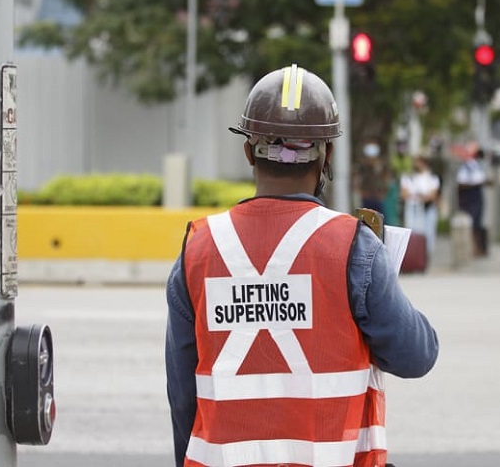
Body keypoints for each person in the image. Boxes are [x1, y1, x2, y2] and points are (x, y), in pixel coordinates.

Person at [165, 64, 439, 467]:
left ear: (248, 152)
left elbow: (182, 392)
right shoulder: (353, 246)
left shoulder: (199, 249)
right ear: (326, 155)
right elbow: (416, 355)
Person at [399, 155, 440, 256]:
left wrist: (418, 197)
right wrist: (419, 196)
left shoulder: (432, 178)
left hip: (427, 209)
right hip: (412, 209)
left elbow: (433, 195)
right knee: (412, 233)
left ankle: (425, 256)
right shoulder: (408, 177)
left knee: (428, 234)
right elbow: (404, 194)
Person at [456, 142, 487, 256]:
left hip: (476, 196)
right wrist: (476, 184)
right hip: (470, 196)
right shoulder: (467, 166)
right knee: (471, 223)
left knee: (477, 223)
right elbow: (462, 182)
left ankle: (477, 248)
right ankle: (471, 248)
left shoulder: (475, 166)